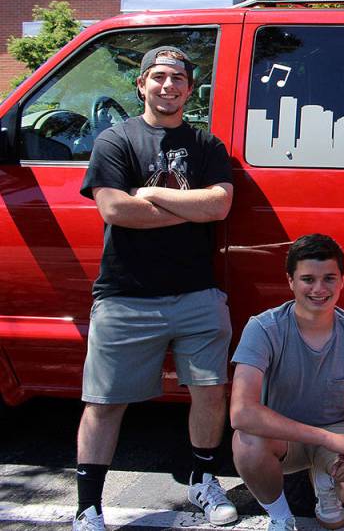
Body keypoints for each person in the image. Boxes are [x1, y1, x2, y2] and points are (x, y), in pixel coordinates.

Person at [74, 47, 235, 531]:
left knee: (210, 393)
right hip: (125, 294)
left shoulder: (207, 145)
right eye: (158, 77)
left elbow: (220, 207)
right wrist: (188, 206)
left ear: (190, 88)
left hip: (197, 295)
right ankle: (88, 506)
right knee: (104, 404)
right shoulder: (114, 141)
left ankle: (203, 482)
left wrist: (151, 194)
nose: (169, 86)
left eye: (178, 79)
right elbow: (115, 211)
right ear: (141, 84)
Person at [230, 233, 344, 531]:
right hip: (285, 434)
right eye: (308, 279)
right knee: (247, 441)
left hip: (340, 433)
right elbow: (241, 412)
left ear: (342, 280)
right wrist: (323, 438)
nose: (319, 289)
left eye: (329, 278)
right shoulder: (263, 328)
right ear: (291, 281)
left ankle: (327, 475)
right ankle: (281, 517)